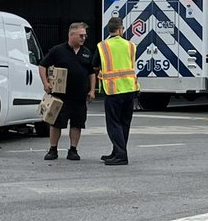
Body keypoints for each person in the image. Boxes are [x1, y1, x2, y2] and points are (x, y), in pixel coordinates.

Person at [39, 22, 96, 161]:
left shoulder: (86, 52)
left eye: (85, 36)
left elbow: (91, 73)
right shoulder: (58, 50)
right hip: (60, 96)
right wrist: (46, 83)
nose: (84, 38)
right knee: (56, 123)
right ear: (72, 35)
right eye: (81, 35)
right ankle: (53, 149)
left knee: (77, 124)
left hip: (79, 96)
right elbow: (42, 66)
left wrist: (92, 90)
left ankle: (73, 150)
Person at [95, 16, 139, 166]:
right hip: (130, 89)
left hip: (113, 90)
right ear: (121, 29)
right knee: (124, 123)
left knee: (114, 124)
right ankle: (118, 151)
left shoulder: (103, 46)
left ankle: (120, 155)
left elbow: (95, 65)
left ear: (109, 30)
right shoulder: (131, 45)